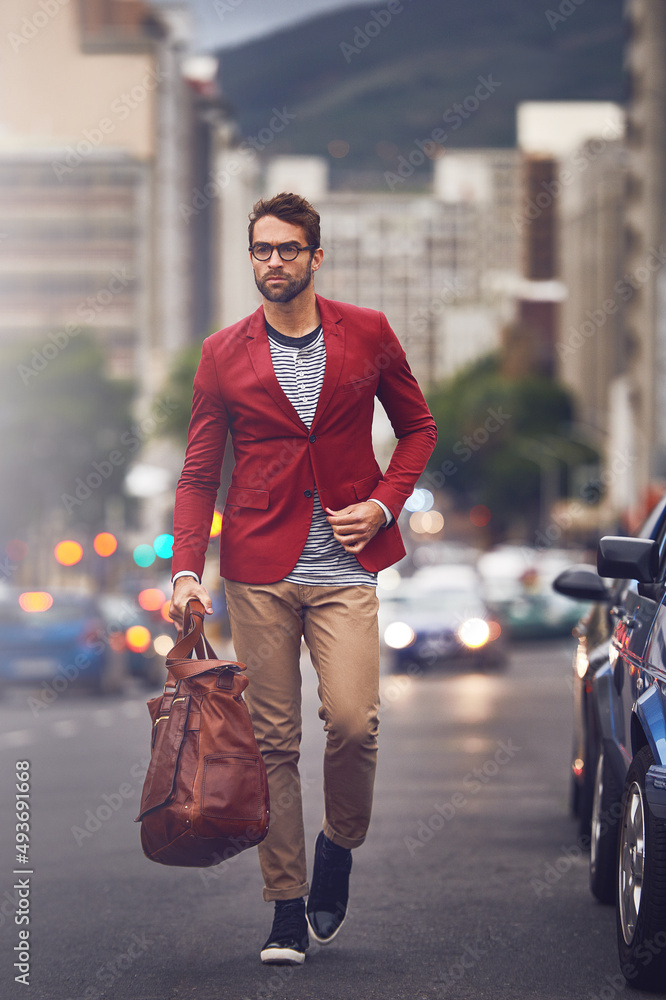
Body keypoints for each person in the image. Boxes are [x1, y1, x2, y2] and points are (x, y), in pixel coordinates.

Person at [169, 192, 437, 965]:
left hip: (346, 567)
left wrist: (386, 506)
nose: (274, 262)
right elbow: (198, 473)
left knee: (354, 722)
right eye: (262, 250)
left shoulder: (371, 333)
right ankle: (286, 904)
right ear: (250, 258)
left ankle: (339, 843)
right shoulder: (222, 352)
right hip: (257, 566)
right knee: (274, 742)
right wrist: (188, 568)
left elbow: (418, 427)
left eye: (289, 249)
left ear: (316, 257)